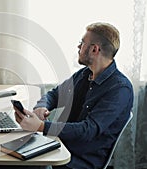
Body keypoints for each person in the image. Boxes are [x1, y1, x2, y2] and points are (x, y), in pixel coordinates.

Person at [14, 22, 134, 169]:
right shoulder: (85, 74)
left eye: (82, 43)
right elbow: (55, 94)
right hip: (59, 145)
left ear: (95, 49)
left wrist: (41, 126)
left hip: (77, 160)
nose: (78, 47)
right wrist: (42, 106)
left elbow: (88, 129)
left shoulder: (120, 89)